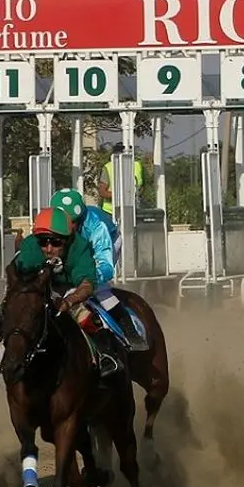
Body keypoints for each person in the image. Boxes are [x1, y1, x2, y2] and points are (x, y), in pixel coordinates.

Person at [15, 207, 125, 374]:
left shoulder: (80, 247)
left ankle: (105, 356)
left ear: (67, 239)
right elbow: (18, 274)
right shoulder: (31, 246)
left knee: (84, 315)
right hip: (40, 288)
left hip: (70, 288)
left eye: (55, 242)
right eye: (43, 241)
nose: (49, 248)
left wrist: (69, 301)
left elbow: (87, 285)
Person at [48, 187, 147, 352]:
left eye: (71, 223)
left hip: (108, 243)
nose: (65, 228)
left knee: (97, 289)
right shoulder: (52, 222)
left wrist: (85, 281)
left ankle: (130, 332)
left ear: (79, 220)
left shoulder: (96, 226)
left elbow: (105, 267)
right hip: (81, 248)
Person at [99, 142, 145, 218]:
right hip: (111, 212)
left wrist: (135, 195)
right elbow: (102, 192)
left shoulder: (137, 166)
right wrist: (121, 196)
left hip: (133, 210)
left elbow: (142, 187)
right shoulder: (108, 167)